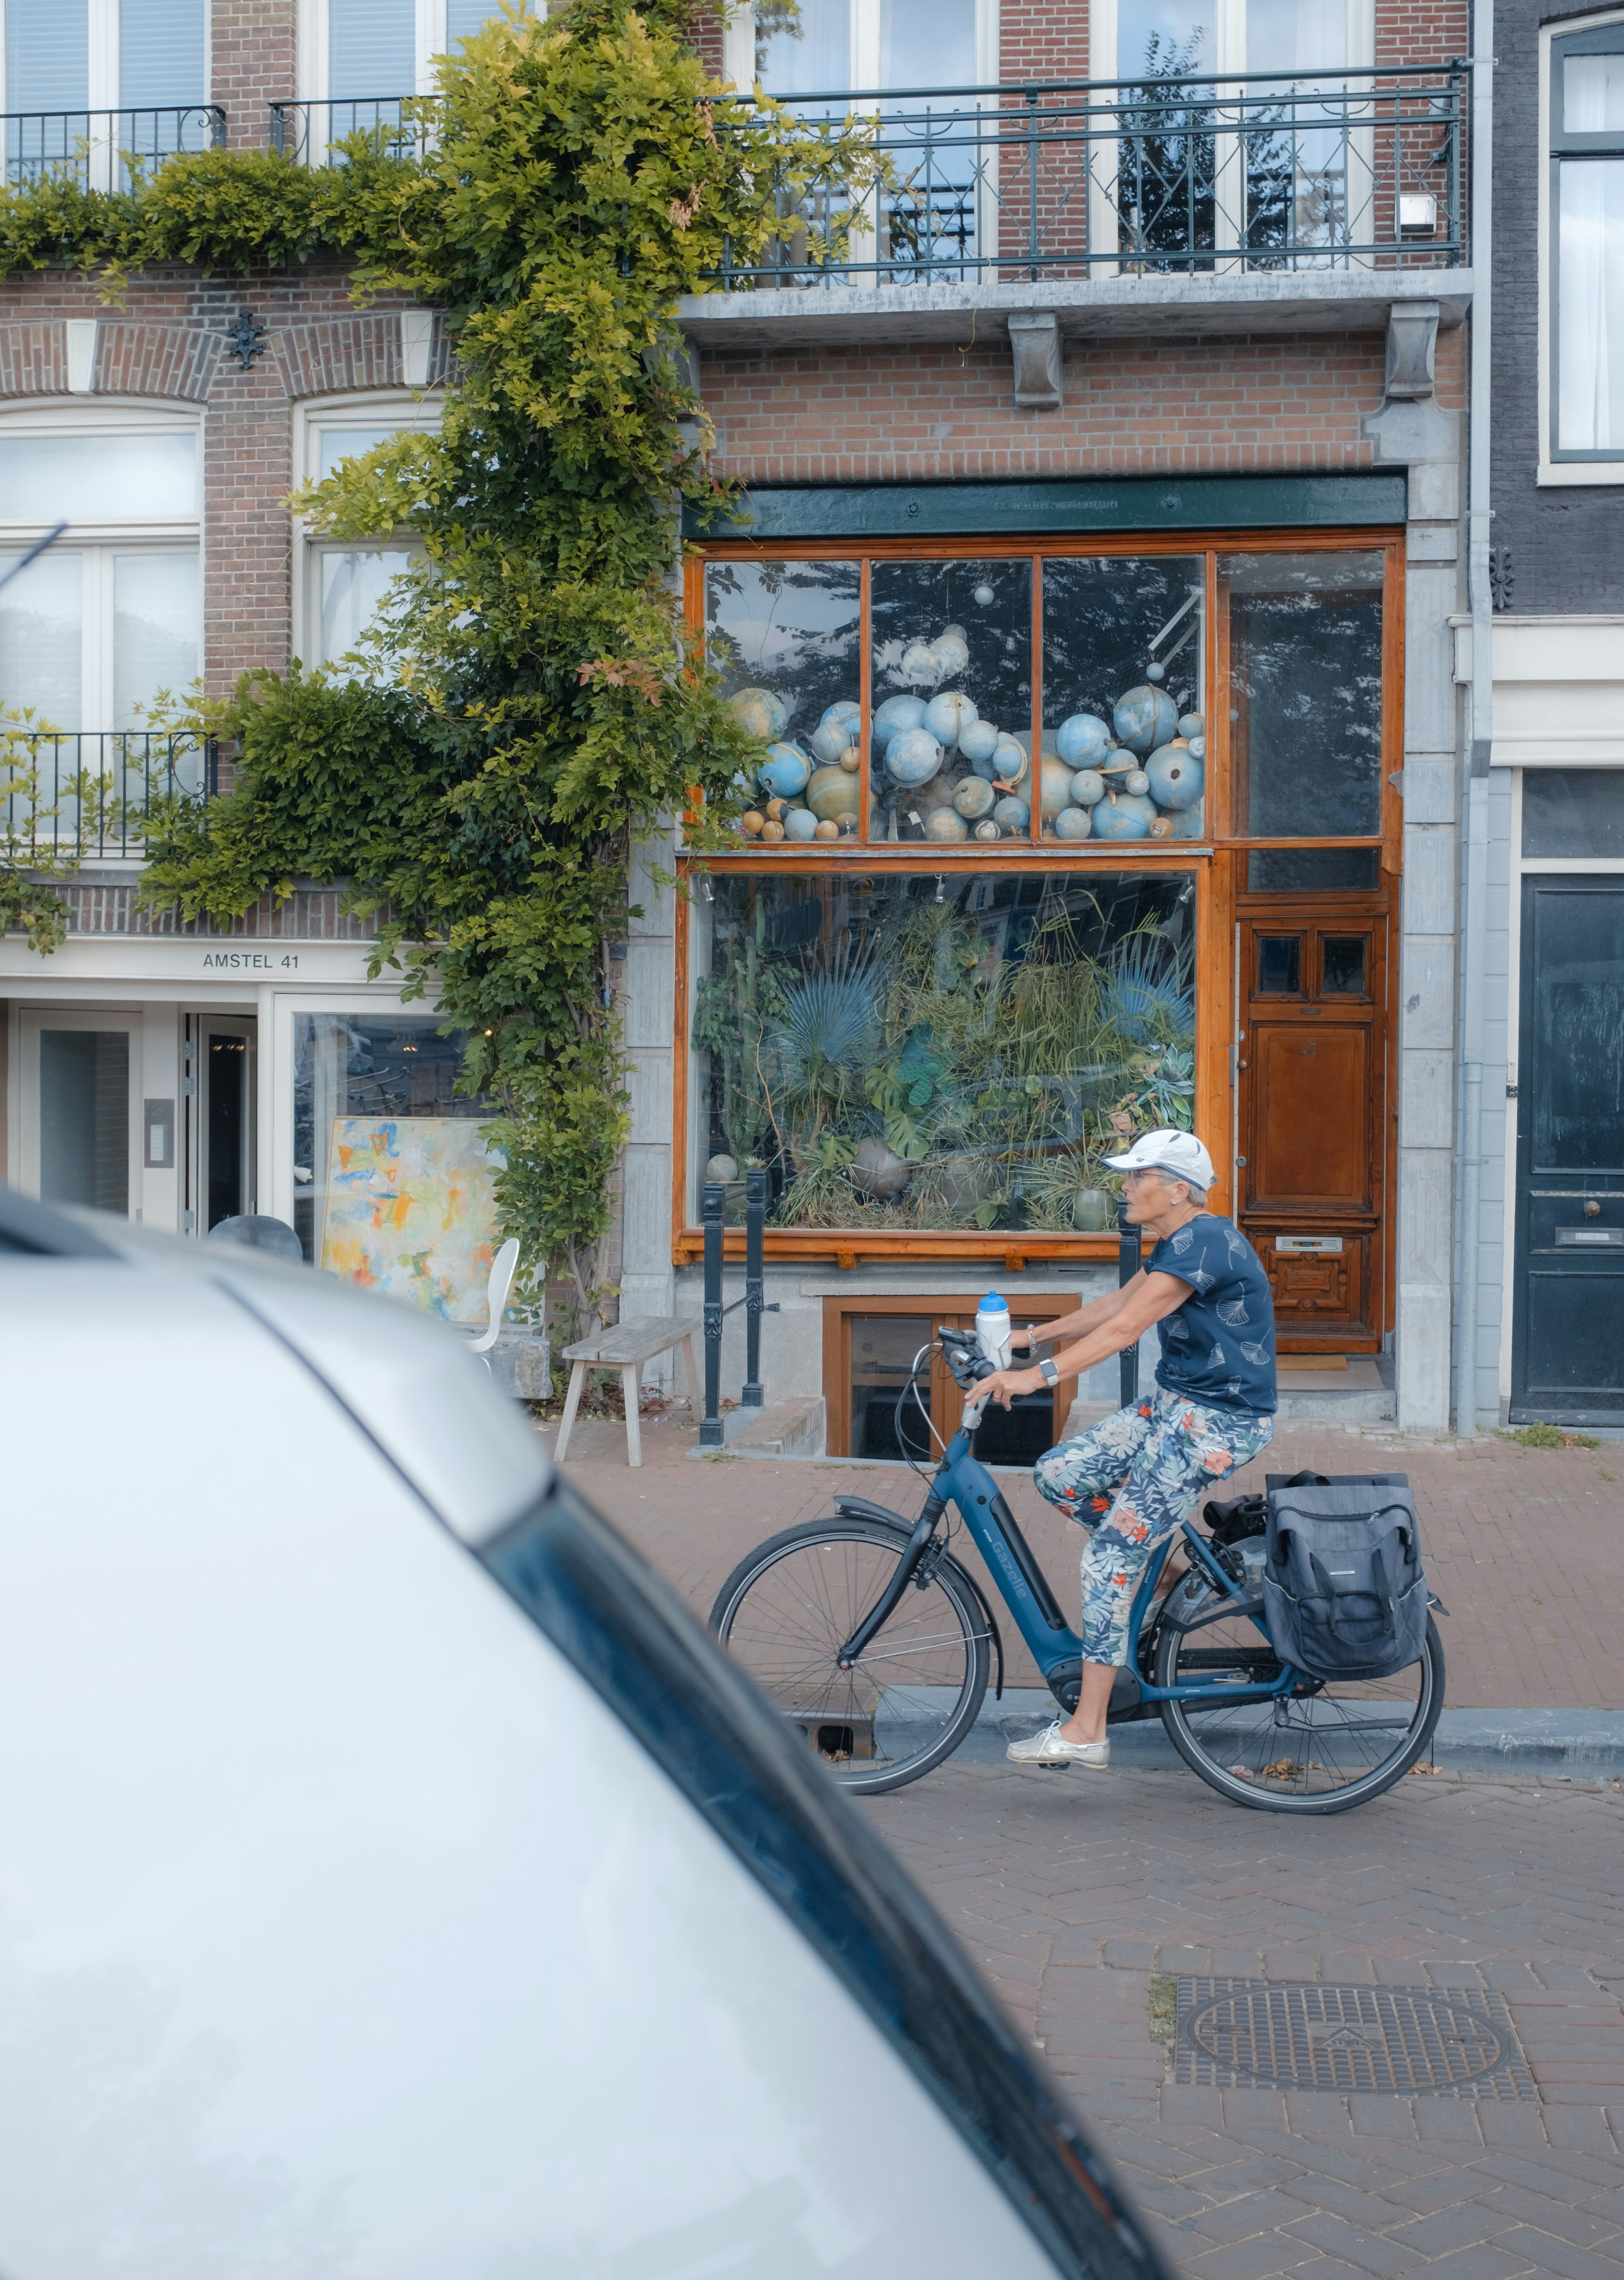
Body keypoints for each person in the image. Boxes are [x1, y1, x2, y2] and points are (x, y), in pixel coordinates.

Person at [972, 1129, 1276, 1771]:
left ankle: (1088, 1731)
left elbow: (1124, 1329)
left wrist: (1034, 1378)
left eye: (1140, 1176)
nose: (1126, 1186)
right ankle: (1161, 1566)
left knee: (1108, 1558)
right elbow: (1117, 1302)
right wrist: (1032, 1336)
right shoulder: (1177, 1243)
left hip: (1218, 1421)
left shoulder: (1209, 1242)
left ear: (1179, 1189)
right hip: (1176, 1406)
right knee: (1058, 1474)